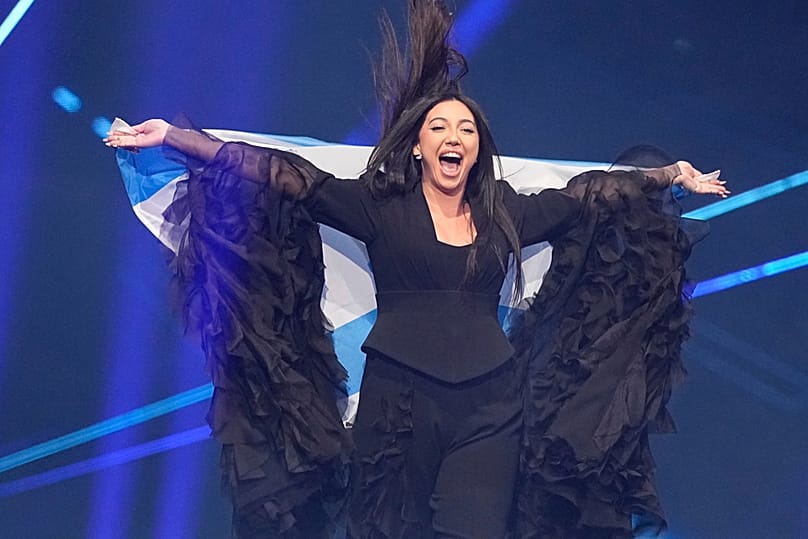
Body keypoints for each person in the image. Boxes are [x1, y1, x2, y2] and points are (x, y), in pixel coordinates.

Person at [105, 2, 728, 537]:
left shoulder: (507, 211)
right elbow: (284, 174)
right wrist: (179, 140)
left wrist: (670, 175)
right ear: (420, 146)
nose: (453, 135)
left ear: (477, 147)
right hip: (395, 405)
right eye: (439, 126)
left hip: (490, 407)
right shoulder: (379, 207)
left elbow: (594, 193)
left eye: (465, 128)